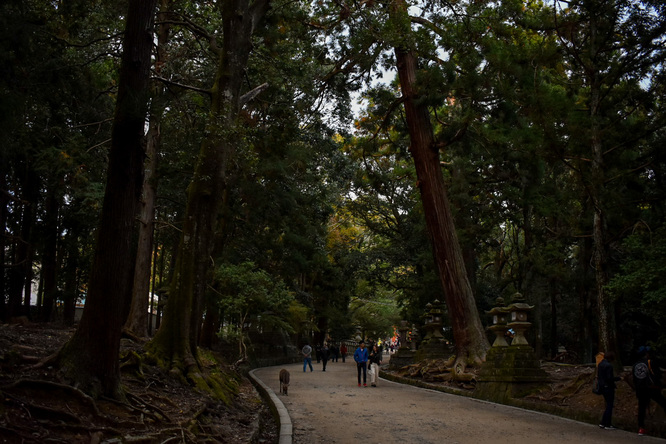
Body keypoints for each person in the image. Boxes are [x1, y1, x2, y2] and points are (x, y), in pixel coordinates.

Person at [633, 346, 666, 436]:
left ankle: (641, 428)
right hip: (652, 388)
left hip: (640, 389)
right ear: (646, 354)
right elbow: (658, 375)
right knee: (664, 403)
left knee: (641, 408)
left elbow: (634, 378)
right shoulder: (650, 362)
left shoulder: (636, 365)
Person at [597, 351, 620, 430]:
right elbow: (609, 378)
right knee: (609, 405)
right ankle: (607, 423)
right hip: (608, 387)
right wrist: (618, 379)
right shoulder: (609, 366)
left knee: (608, 405)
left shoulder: (600, 364)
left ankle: (603, 422)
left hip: (602, 386)